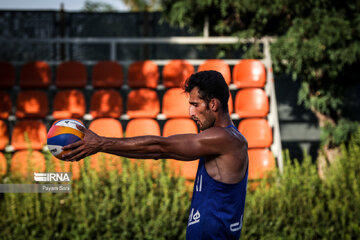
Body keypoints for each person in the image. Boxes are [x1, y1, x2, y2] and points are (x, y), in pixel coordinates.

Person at [63, 70, 249, 239]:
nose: (190, 112)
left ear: (213, 104)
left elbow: (160, 147)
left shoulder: (225, 139)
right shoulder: (221, 140)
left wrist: (102, 143)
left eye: (195, 104)